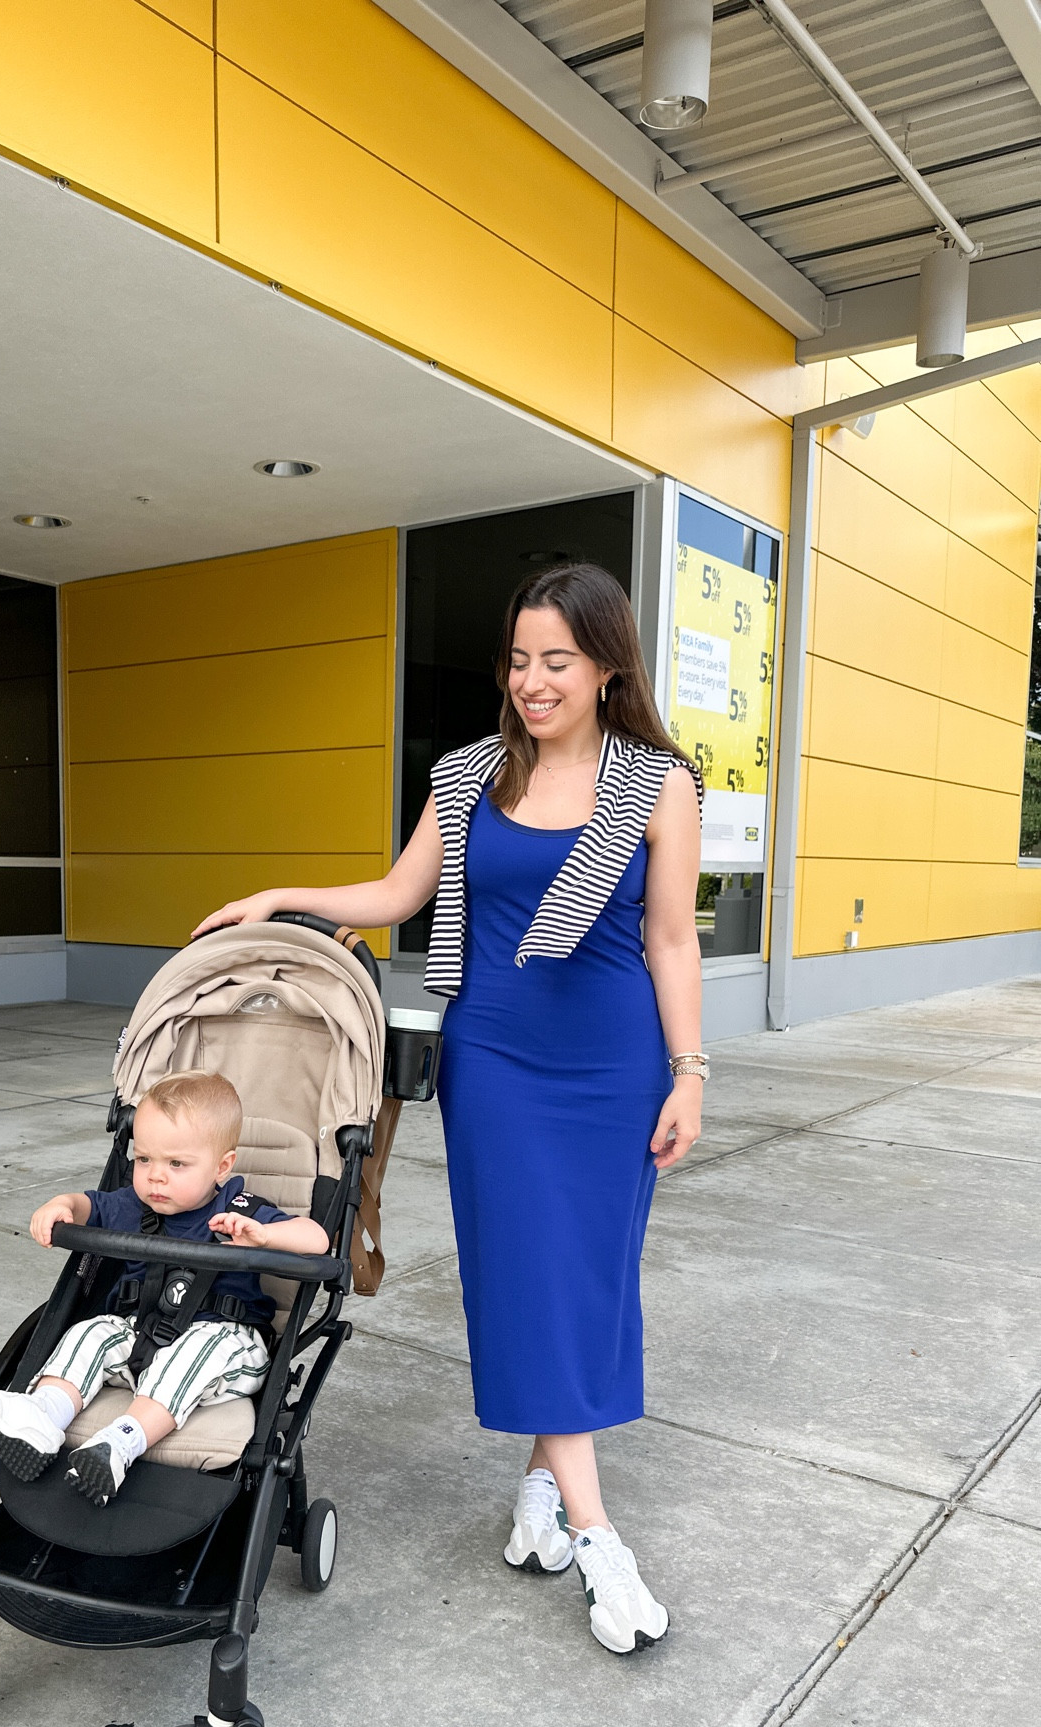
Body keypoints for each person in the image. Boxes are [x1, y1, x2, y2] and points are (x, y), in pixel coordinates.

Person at [193, 561, 703, 1653]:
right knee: (526, 1275)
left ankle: (538, 1496)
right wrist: (285, 895)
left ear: (608, 663)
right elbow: (398, 893)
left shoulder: (657, 781)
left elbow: (670, 936)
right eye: (519, 660)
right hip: (500, 1065)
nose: (533, 680)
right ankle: (598, 1532)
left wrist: (691, 1069)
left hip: (615, 1068)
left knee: (585, 1283)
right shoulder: (473, 771)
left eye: (556, 660)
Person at [0, 1069, 329, 1506]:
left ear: (222, 1167)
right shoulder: (132, 1206)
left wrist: (264, 1237)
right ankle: (41, 1417)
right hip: (142, 1339)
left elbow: (317, 1240)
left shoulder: (239, 1208)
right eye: (144, 1159)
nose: (155, 1176)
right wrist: (62, 1205)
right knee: (92, 1332)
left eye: (176, 1164)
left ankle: (120, 1444)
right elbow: (87, 1204)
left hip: (227, 1346)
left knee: (196, 1350)